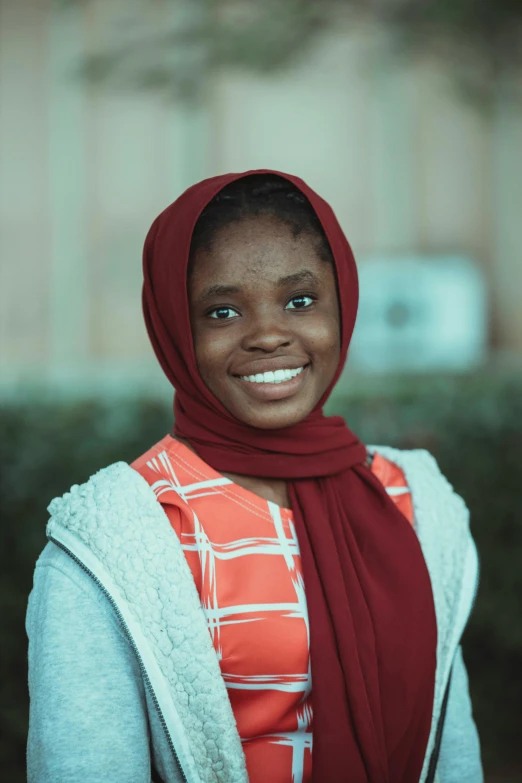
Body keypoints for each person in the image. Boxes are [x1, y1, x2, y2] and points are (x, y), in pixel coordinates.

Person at [26, 170, 483, 783]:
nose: (268, 335)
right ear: (174, 330)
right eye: (222, 311)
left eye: (300, 300)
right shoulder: (115, 541)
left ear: (342, 302)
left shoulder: (412, 499)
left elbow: (450, 750)